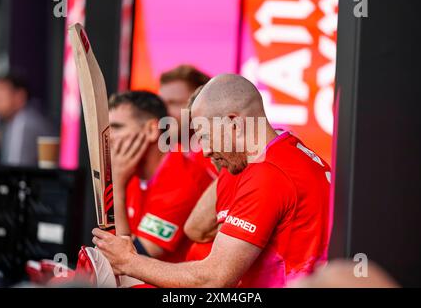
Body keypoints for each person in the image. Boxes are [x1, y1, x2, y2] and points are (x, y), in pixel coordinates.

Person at [92, 74, 332, 287]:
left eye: (205, 135)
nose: (204, 152)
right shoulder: (276, 151)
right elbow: (195, 229)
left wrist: (127, 261)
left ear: (235, 123)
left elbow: (214, 279)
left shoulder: (268, 173)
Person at [108, 91, 212, 263]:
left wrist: (115, 187)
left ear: (151, 130)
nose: (108, 137)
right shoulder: (131, 172)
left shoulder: (182, 178)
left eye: (117, 127)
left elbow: (133, 262)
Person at [0, 74, 53, 166]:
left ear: (20, 97)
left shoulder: (24, 123)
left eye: (0, 96)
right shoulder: (14, 121)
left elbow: (15, 171)